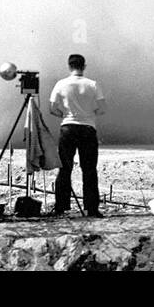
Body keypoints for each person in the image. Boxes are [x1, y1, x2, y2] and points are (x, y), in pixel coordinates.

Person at [49, 53, 106, 217]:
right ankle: (92, 208)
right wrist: (89, 114)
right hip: (88, 128)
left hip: (67, 127)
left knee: (65, 168)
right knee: (89, 169)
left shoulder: (61, 84)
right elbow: (102, 108)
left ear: (69, 66)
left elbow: (52, 108)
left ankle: (61, 206)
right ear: (84, 66)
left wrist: (66, 115)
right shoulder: (92, 84)